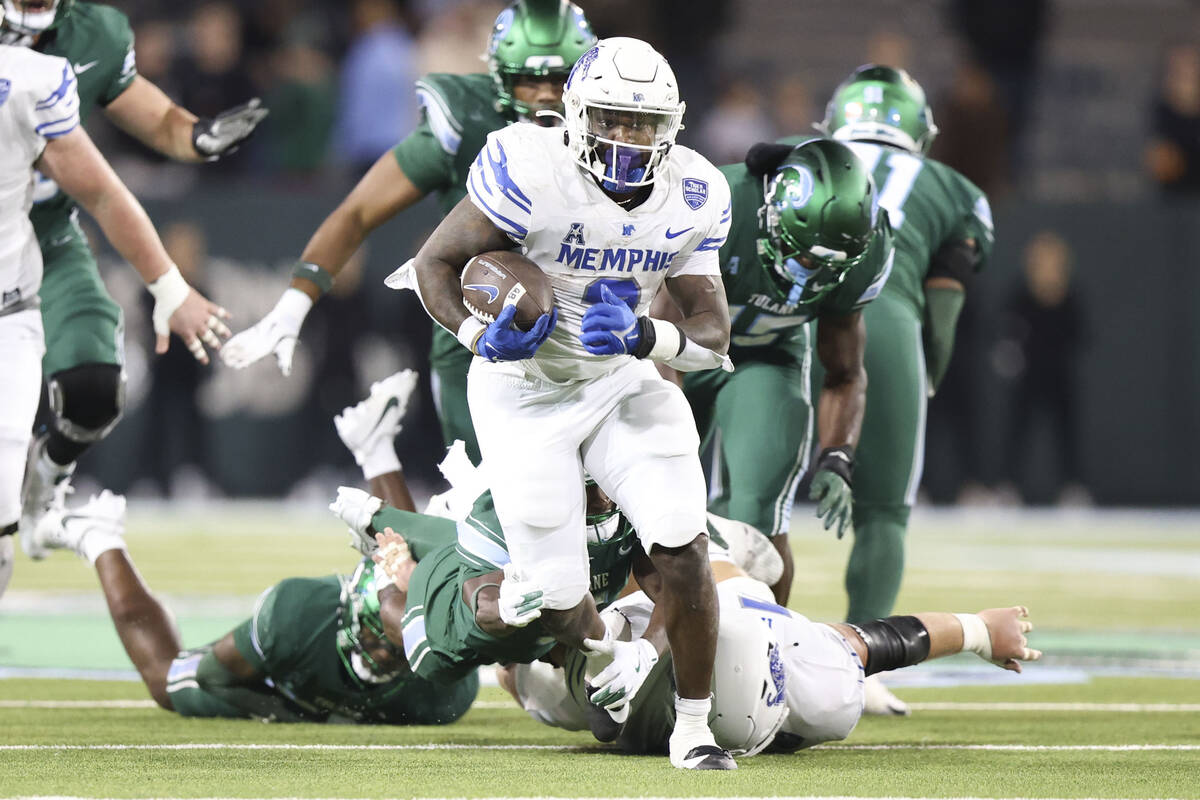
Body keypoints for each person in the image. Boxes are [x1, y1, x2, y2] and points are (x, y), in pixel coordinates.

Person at [410, 36, 738, 769]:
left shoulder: (695, 190)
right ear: (577, 115)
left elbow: (714, 333)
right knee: (556, 595)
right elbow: (436, 259)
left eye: (645, 124)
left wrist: (647, 336)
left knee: (683, 545)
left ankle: (694, 725)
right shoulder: (530, 166)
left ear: (672, 127)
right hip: (521, 394)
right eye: (615, 120)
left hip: (616, 382)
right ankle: (602, 656)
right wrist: (471, 331)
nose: (629, 138)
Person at [221, 0, 596, 468]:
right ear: (500, 74)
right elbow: (357, 211)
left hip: (584, 337)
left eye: (559, 80)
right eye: (529, 79)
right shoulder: (466, 118)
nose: (544, 96)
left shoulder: (613, 127)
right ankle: (381, 474)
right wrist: (293, 304)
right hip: (479, 333)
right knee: (495, 502)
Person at [6, 0, 266, 538]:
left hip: (43, 235)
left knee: (95, 385)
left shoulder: (83, 41)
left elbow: (105, 185)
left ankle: (45, 479)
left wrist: (195, 136)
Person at [815, 64, 994, 713]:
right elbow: (942, 319)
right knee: (884, 509)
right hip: (882, 324)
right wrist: (925, 378)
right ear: (919, 127)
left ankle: (720, 633)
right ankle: (860, 665)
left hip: (786, 318)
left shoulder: (804, 158)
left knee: (742, 497)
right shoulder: (954, 188)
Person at [22, 489, 478, 724]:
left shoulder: (446, 693)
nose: (385, 654)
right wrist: (289, 710)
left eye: (400, 652)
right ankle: (98, 535)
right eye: (381, 639)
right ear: (355, 612)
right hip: (271, 681)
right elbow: (211, 677)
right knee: (166, 683)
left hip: (324, 684)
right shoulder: (297, 617)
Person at [498, 564, 1042, 757]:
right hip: (727, 587)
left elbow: (882, 641)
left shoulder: (621, 691)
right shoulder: (818, 689)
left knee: (531, 673)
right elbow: (879, 641)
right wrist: (977, 632)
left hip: (706, 587)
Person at [684, 137, 895, 607]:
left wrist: (838, 454)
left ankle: (769, 650)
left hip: (767, 354)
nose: (809, 274)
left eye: (827, 265)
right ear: (772, 213)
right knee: (643, 507)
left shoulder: (866, 250)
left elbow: (844, 370)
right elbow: (661, 336)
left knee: (758, 520)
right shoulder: (719, 204)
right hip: (680, 352)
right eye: (802, 253)